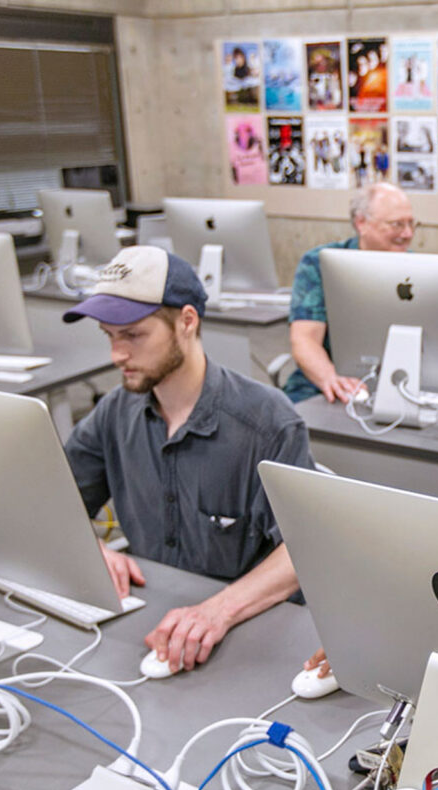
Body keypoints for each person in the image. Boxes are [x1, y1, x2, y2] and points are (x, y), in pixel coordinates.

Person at [62, 246, 315, 674]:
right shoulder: (115, 411)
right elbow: (53, 500)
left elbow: (304, 552)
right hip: (146, 620)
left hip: (246, 633)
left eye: (133, 335)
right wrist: (90, 548)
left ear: (187, 321)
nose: (116, 355)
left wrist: (218, 610)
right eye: (109, 336)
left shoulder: (268, 422)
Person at [285, 183, 416, 404]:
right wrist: (330, 377)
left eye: (412, 224)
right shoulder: (319, 263)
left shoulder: (420, 268)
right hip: (325, 379)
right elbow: (305, 338)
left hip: (398, 381)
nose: (408, 234)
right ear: (361, 223)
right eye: (396, 225)